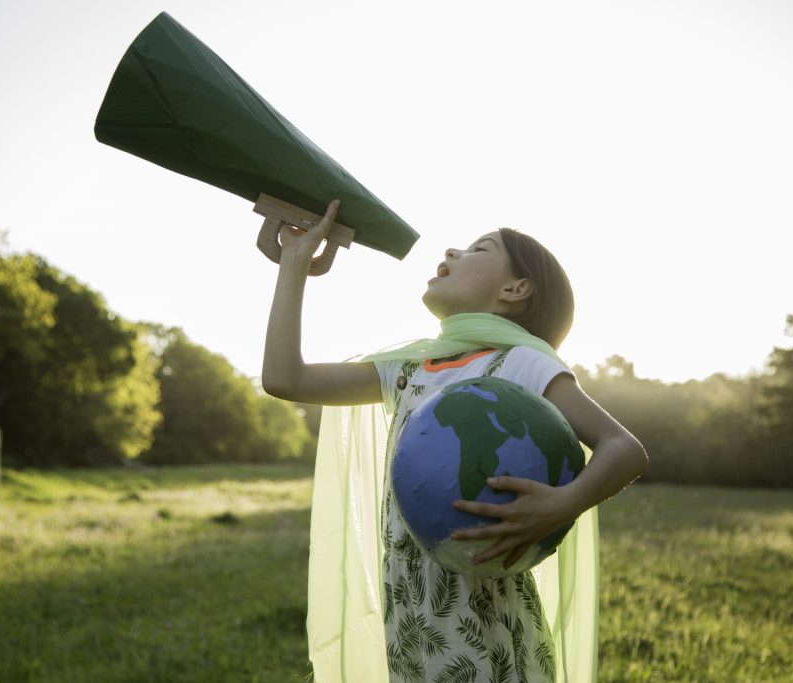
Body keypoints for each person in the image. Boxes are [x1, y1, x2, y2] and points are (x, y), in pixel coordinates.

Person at [262, 199, 648, 683]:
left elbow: (623, 447)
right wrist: (294, 263)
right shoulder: (410, 369)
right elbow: (285, 378)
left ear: (516, 289)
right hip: (409, 604)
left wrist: (562, 504)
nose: (451, 250)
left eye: (478, 249)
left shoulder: (523, 363)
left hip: (482, 608)